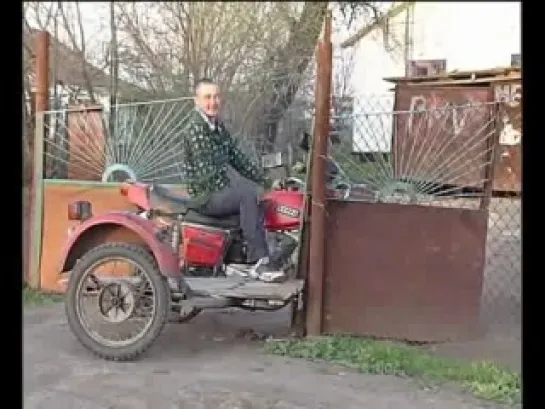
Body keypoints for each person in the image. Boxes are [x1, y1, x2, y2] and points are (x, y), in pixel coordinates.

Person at [180, 78, 286, 283]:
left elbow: (237, 157)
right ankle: (260, 261)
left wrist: (265, 181)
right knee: (246, 195)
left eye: (216, 96)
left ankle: (243, 257)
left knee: (256, 198)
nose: (213, 102)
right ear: (197, 101)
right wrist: (239, 190)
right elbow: (207, 175)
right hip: (205, 196)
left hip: (215, 190)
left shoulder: (216, 126)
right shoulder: (196, 129)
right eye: (207, 97)